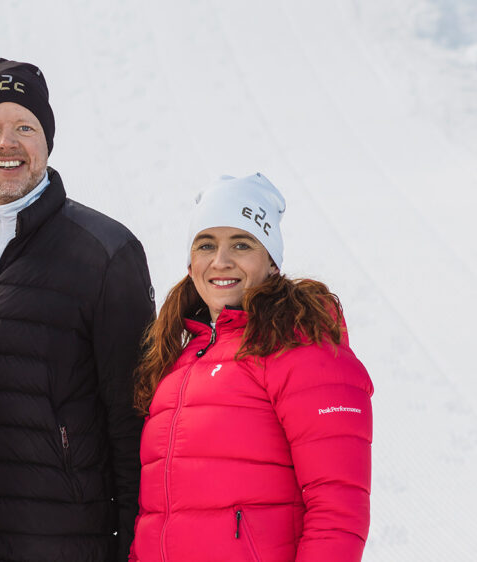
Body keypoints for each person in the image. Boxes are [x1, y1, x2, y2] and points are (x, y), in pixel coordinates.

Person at [0, 58, 154, 561]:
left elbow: (133, 423)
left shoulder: (106, 252)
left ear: (47, 141)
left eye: (25, 127)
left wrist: (133, 547)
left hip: (62, 541)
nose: (7, 143)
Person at [128, 174, 373, 561]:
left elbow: (338, 512)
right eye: (206, 244)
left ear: (272, 261)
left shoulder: (303, 352)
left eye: (241, 244)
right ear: (190, 264)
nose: (220, 261)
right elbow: (155, 516)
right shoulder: (178, 364)